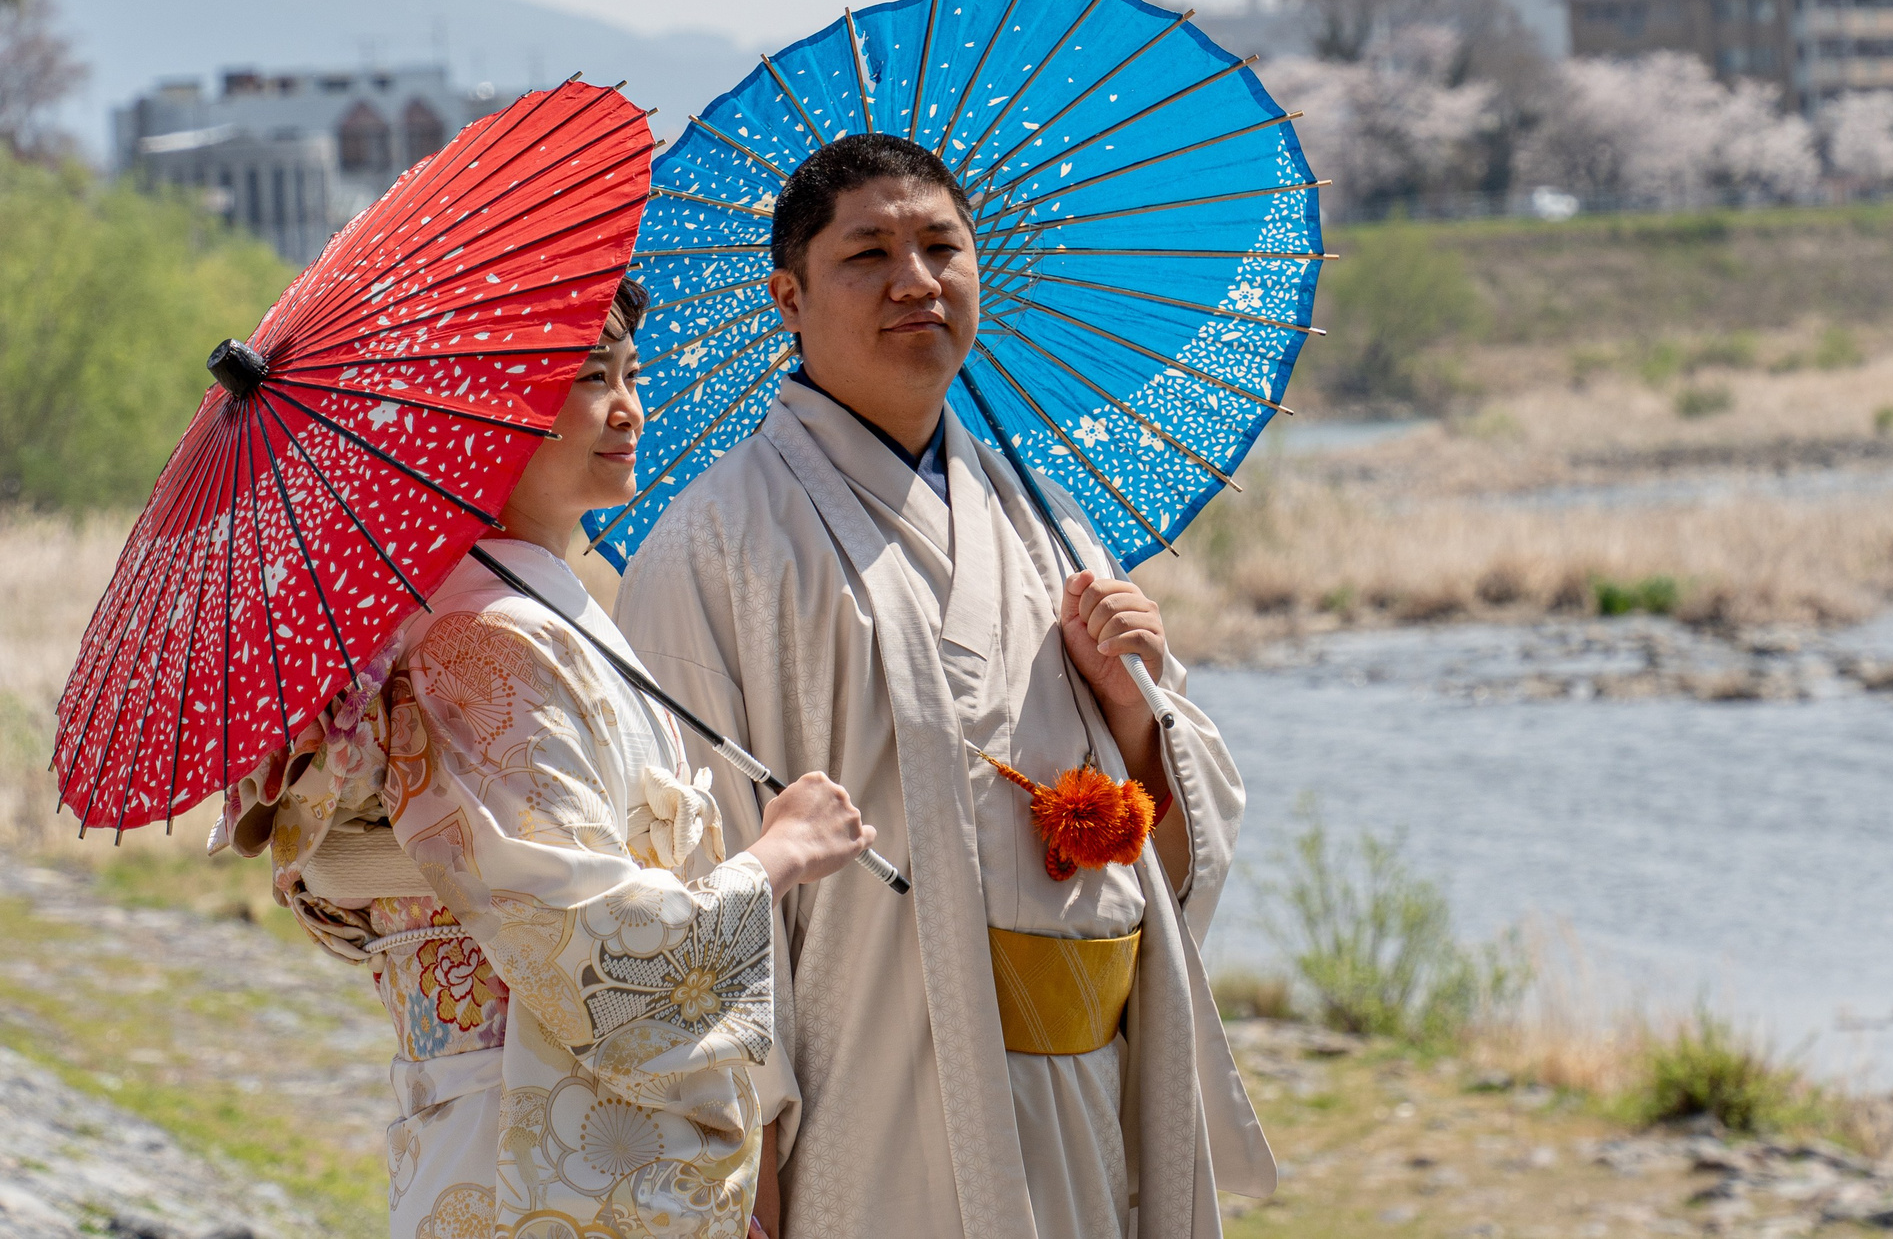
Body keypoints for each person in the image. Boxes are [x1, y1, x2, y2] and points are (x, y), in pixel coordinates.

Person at [617, 135, 1275, 1239]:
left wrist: (1133, 708)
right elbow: (693, 861)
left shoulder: (1050, 521)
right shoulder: (714, 544)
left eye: (940, 246)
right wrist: (744, 1156)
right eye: (866, 252)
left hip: (1084, 1084)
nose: (914, 280)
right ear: (788, 294)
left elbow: (1183, 825)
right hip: (867, 1081)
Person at [216, 277, 872, 1239]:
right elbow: (590, 945)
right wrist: (778, 855)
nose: (628, 408)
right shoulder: (490, 642)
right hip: (531, 1131)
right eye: (584, 379)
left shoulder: (510, 615)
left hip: (522, 1116)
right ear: (485, 421)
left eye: (631, 374)